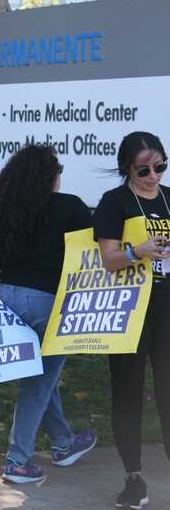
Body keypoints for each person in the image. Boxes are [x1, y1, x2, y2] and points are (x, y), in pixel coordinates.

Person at [0, 144, 97, 485]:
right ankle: (17, 461)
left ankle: (64, 443)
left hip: (6, 298)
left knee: (39, 375)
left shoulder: (3, 209)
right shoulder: (70, 206)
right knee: (39, 384)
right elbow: (95, 251)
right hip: (51, 302)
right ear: (51, 176)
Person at [93, 131, 170, 510]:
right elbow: (108, 259)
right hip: (127, 309)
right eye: (145, 169)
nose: (153, 176)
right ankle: (134, 477)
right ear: (128, 167)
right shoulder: (115, 202)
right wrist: (137, 250)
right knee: (128, 393)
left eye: (160, 166)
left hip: (167, 308)